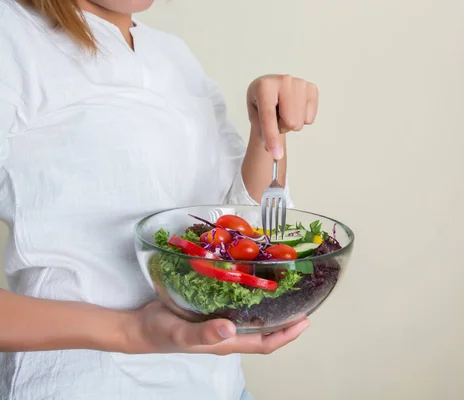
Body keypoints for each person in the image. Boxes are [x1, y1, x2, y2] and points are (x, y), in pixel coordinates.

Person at [0, 0, 318, 399]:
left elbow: (244, 226)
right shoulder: (12, 34)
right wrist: (134, 330)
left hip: (219, 385)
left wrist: (266, 127)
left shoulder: (172, 54)